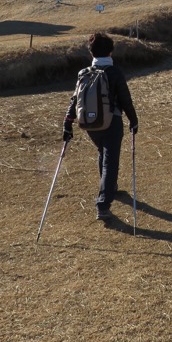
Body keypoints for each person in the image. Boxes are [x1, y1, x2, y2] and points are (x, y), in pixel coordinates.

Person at [62, 32, 138, 221]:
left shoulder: (83, 73)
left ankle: (110, 188)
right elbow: (125, 100)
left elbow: (75, 100)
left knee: (103, 154)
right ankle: (103, 204)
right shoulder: (114, 72)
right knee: (110, 161)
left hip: (89, 124)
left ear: (92, 53)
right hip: (112, 122)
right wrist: (133, 120)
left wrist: (68, 122)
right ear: (110, 52)